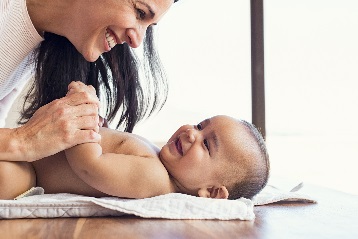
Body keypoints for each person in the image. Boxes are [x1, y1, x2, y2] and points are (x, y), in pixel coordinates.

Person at [0, 0, 178, 162]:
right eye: (140, 13)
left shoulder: (36, 42)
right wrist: (23, 140)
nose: (137, 42)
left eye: (149, 26)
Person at [0, 115, 270, 200]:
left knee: (7, 176)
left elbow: (90, 166)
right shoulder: (158, 160)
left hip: (31, 172)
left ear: (211, 192)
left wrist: (82, 121)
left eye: (207, 144)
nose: (191, 133)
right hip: (33, 153)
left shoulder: (154, 178)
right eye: (200, 126)